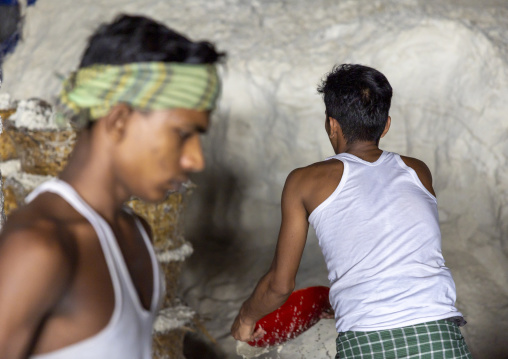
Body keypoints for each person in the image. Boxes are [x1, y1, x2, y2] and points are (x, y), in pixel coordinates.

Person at [0, 14, 223, 359]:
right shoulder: (41, 246)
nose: (196, 159)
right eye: (182, 134)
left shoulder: (136, 232)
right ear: (118, 120)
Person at [231, 64, 472, 358]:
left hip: (365, 341)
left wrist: (245, 318)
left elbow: (280, 286)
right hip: (438, 336)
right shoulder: (417, 171)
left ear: (332, 125)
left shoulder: (303, 182)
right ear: (386, 125)